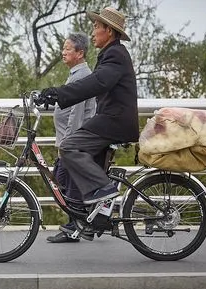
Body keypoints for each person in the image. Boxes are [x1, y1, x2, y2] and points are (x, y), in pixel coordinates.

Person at [37, 7, 139, 228]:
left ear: (109, 31)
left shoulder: (116, 55)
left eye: (96, 27)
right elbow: (95, 84)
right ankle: (92, 219)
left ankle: (106, 192)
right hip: (111, 119)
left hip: (115, 121)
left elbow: (97, 83)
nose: (92, 32)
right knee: (82, 160)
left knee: (69, 146)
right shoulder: (111, 54)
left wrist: (59, 93)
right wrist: (56, 95)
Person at [46, 32, 96, 243]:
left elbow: (76, 116)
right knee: (64, 181)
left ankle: (74, 227)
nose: (63, 52)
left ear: (80, 53)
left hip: (74, 142)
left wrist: (66, 145)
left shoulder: (81, 76)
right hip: (73, 141)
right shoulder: (76, 74)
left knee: (65, 182)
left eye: (68, 49)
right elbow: (67, 106)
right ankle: (85, 222)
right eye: (63, 48)